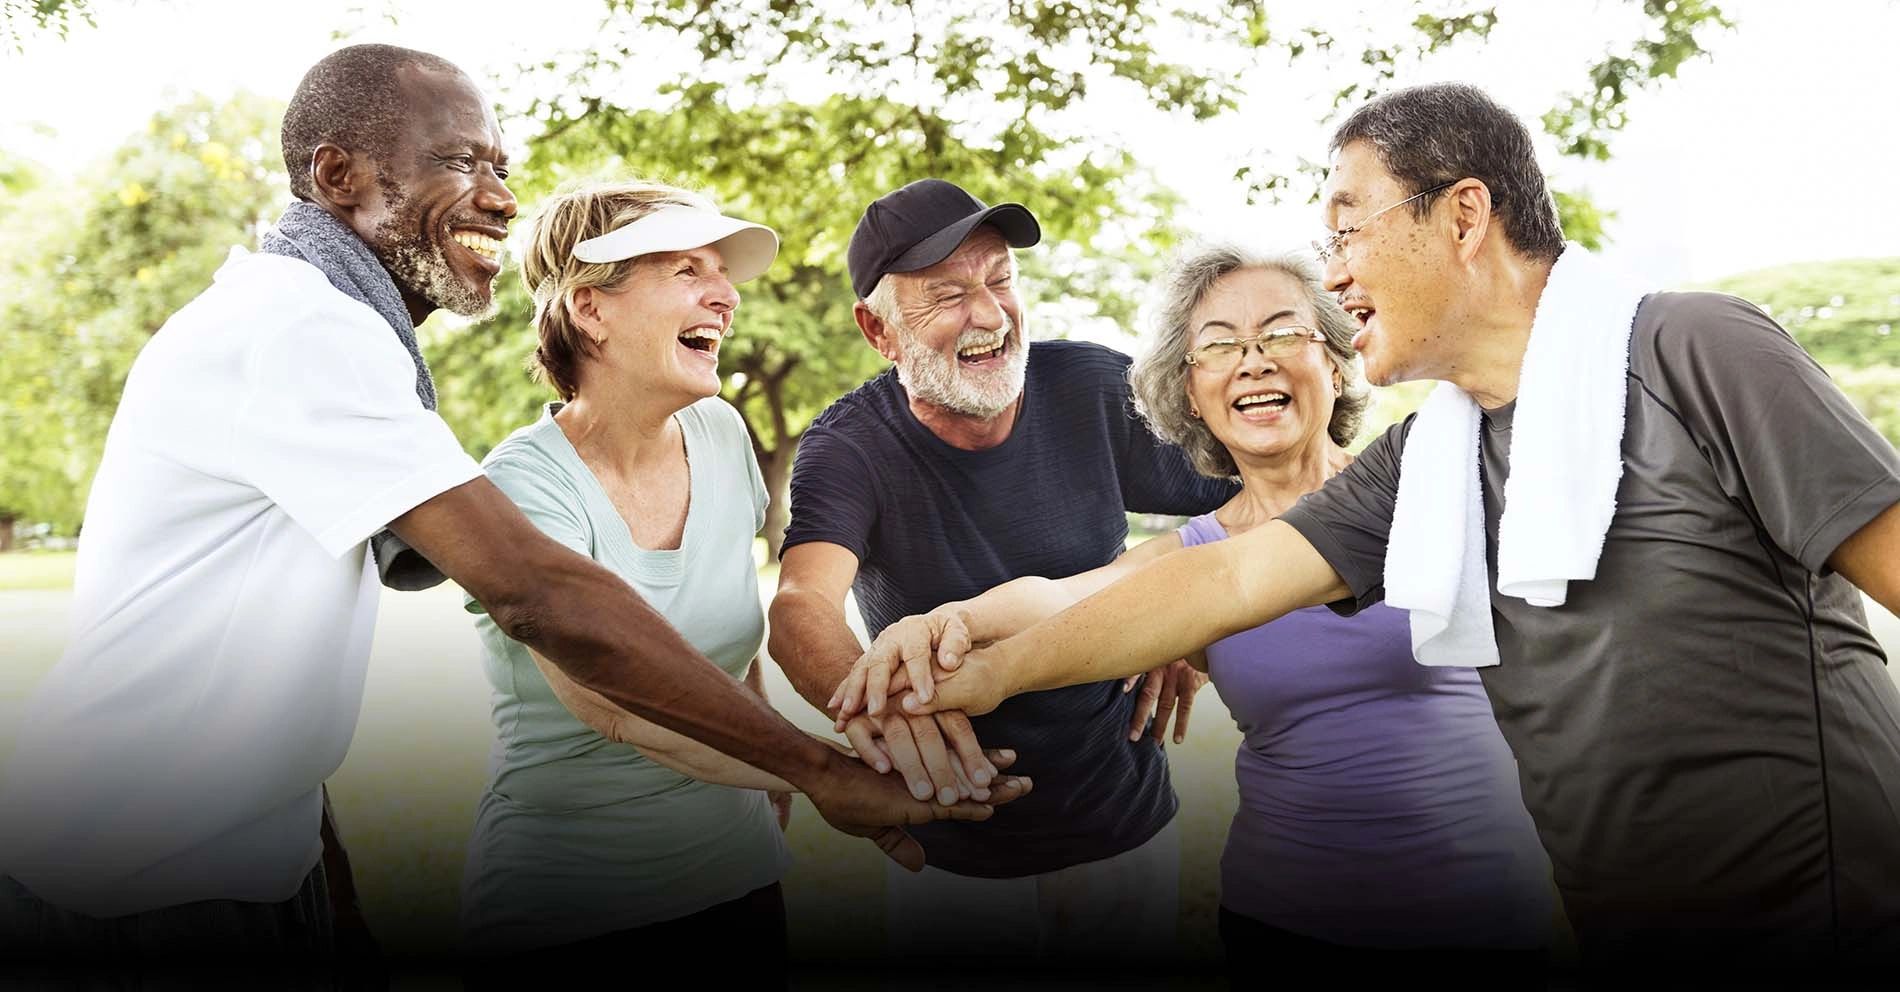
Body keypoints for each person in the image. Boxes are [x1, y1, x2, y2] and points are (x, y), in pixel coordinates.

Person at [0, 45, 1020, 981]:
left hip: (239, 868)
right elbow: (538, 593)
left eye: (500, 166)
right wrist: (814, 768)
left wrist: (329, 893)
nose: (499, 196)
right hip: (128, 878)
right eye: (457, 162)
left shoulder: (330, 332)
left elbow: (261, 685)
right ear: (337, 175)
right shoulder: (296, 326)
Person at [842, 82, 1900, 979]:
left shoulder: (1691, 350)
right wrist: (973, 668)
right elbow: (1218, 582)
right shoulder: (1433, 460)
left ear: (1464, 214)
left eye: (1347, 230)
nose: (1338, 274)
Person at [842, 243, 1555, 979]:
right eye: (1219, 346)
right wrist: (944, 622)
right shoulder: (1193, 554)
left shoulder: (1426, 490)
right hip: (1284, 922)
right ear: (1190, 394)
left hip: (1482, 919)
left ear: (1336, 363)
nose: (1253, 362)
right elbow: (1061, 597)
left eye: (1282, 333)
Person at [768, 178, 1234, 968]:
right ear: (878, 330)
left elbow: (1263, 494)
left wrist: (1180, 618)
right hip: (952, 843)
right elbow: (800, 602)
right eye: (948, 295)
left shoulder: (1096, 388)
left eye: (1000, 279)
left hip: (1123, 823)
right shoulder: (847, 448)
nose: (988, 314)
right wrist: (880, 711)